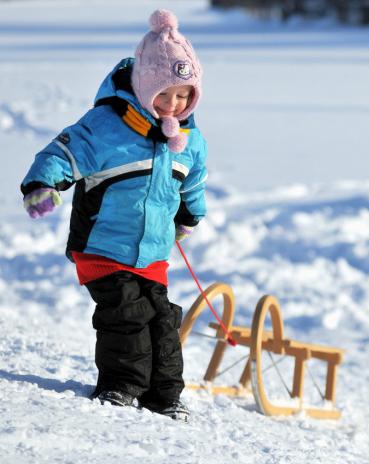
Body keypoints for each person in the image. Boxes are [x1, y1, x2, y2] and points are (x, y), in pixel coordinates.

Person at [20, 9, 207, 422]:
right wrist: (42, 184)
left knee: (163, 320)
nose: (173, 105)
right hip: (103, 246)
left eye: (183, 96)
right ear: (143, 85)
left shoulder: (189, 139)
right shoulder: (107, 126)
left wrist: (190, 217)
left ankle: (164, 396)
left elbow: (192, 181)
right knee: (126, 313)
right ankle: (121, 386)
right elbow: (63, 152)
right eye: (164, 95)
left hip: (152, 254)